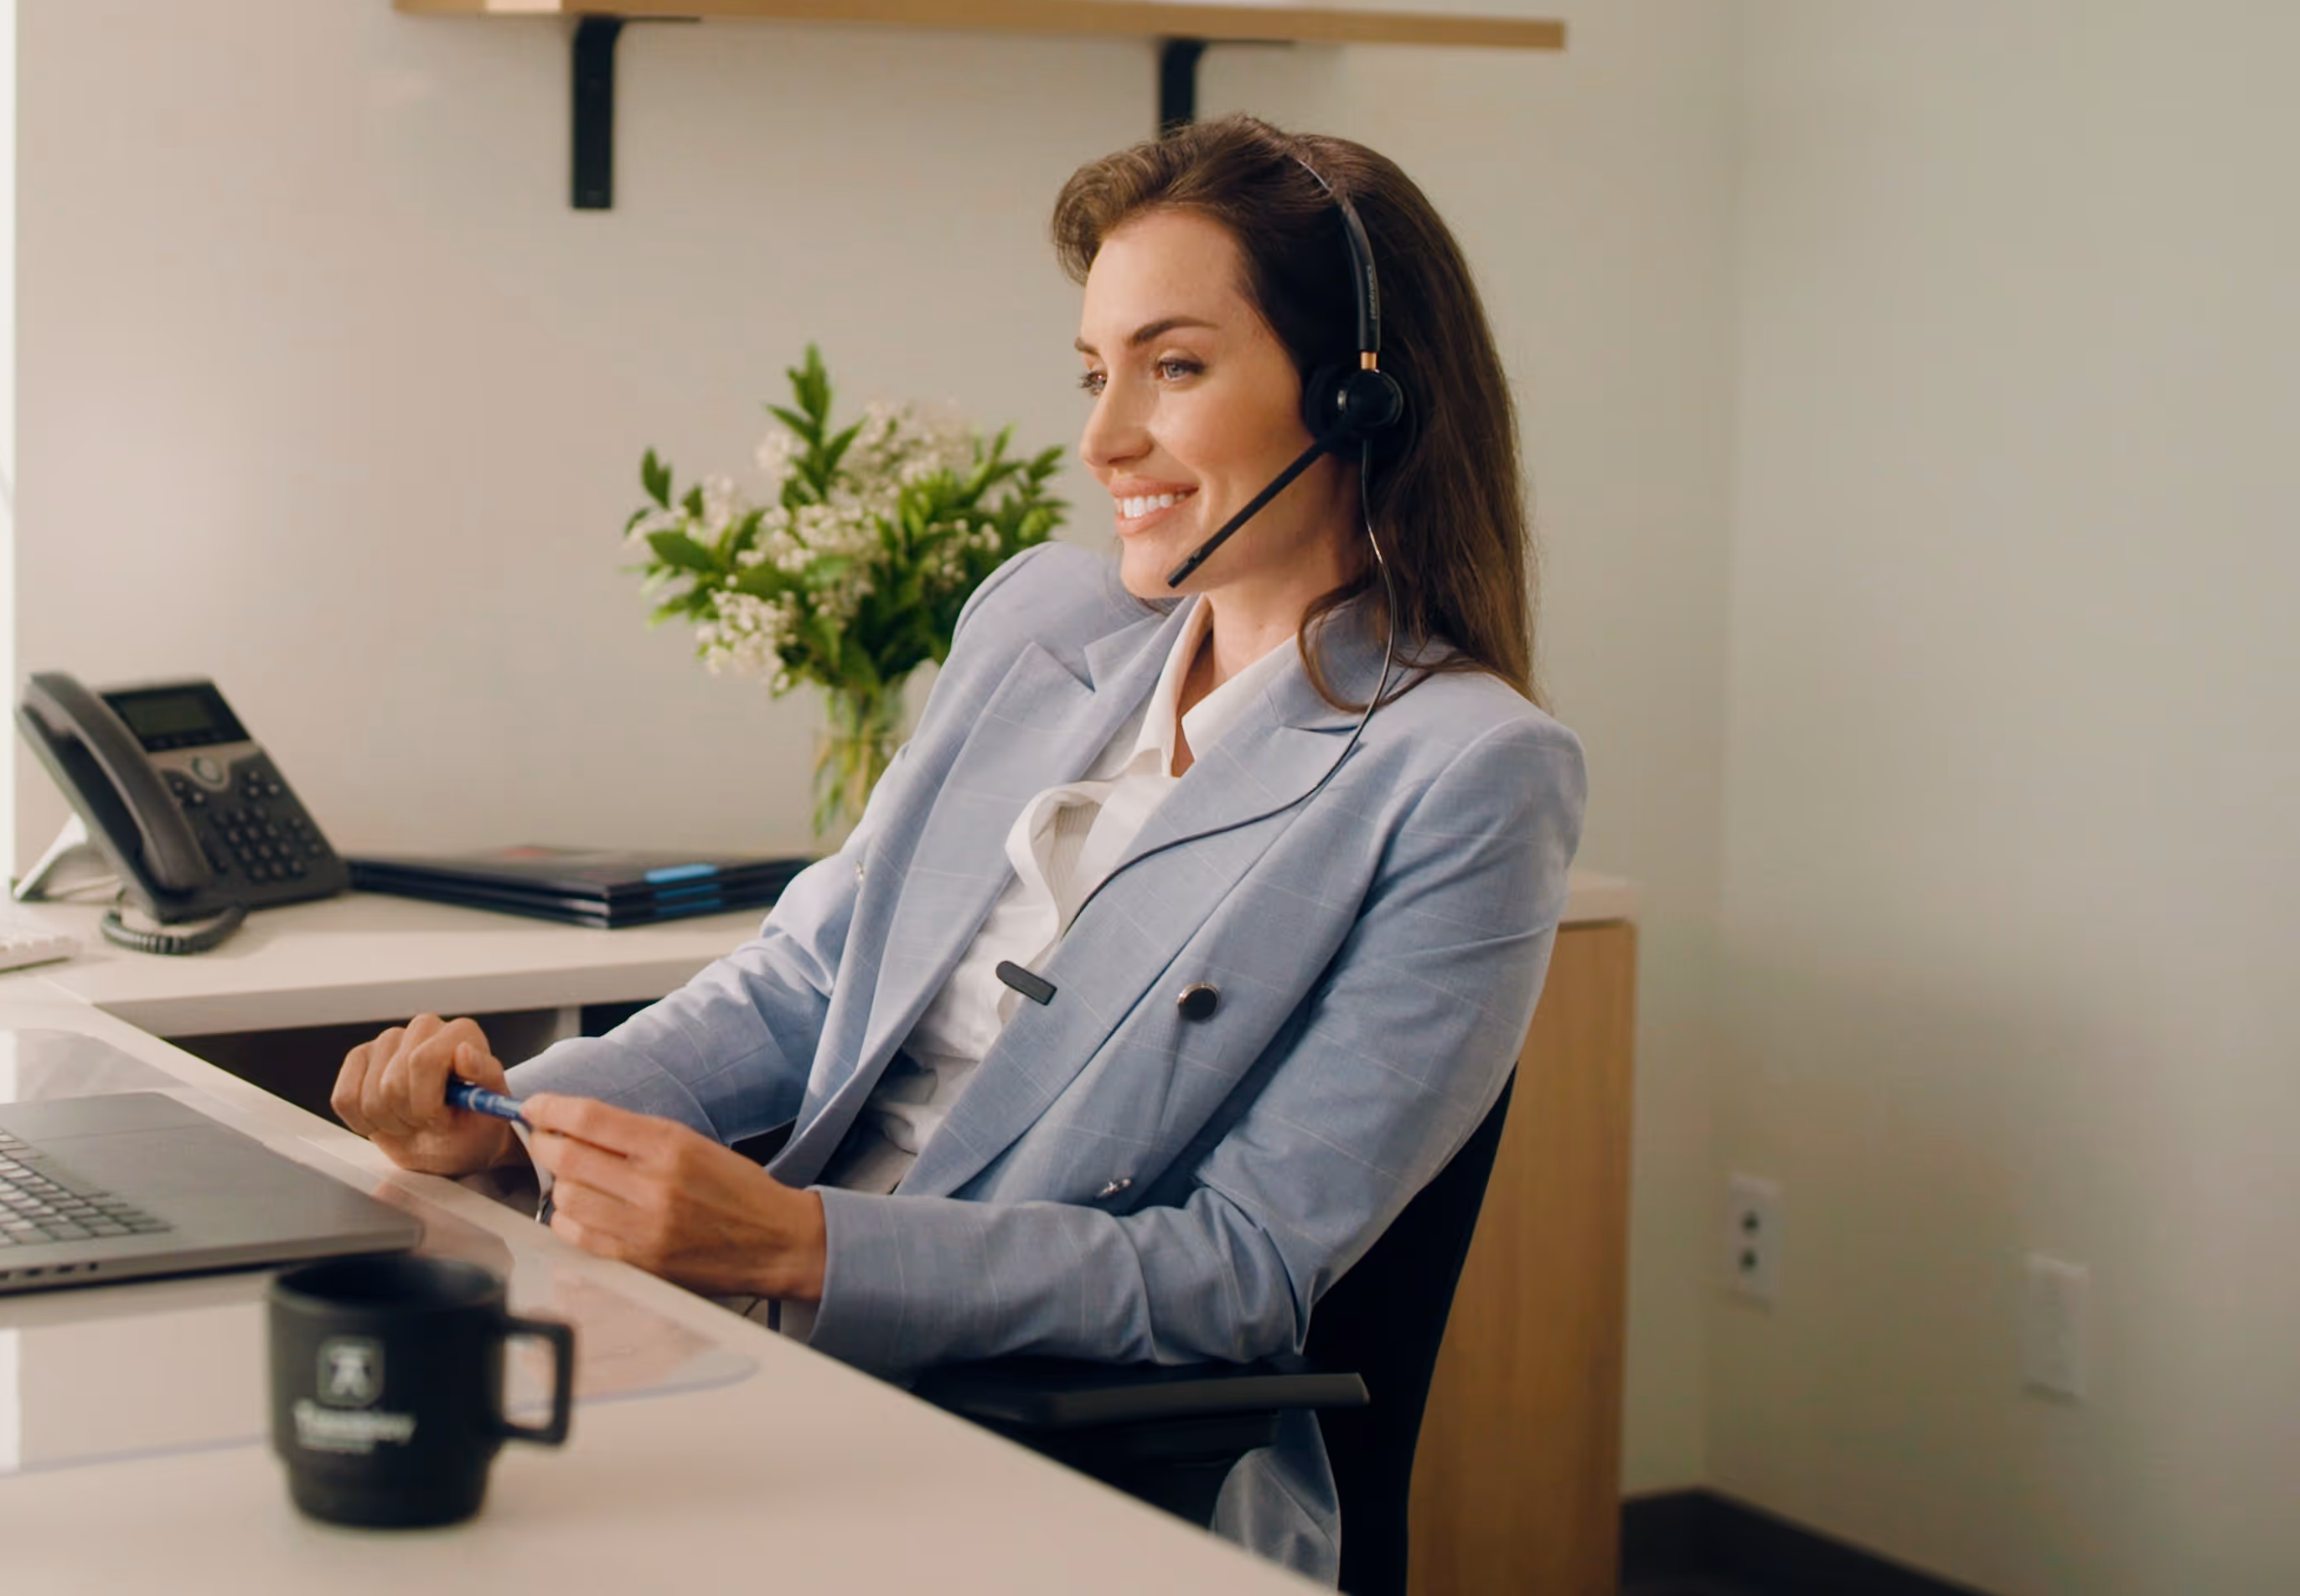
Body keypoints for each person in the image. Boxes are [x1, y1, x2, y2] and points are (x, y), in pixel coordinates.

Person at [331, 113, 1585, 1582]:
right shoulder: (1043, 623)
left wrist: (802, 1245)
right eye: (1094, 372)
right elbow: (802, 986)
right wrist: (505, 1113)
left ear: (1361, 397)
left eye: (1172, 368)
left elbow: (1238, 1272)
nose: (1102, 438)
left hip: (1032, 1435)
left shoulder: (1467, 774)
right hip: (750, 1340)